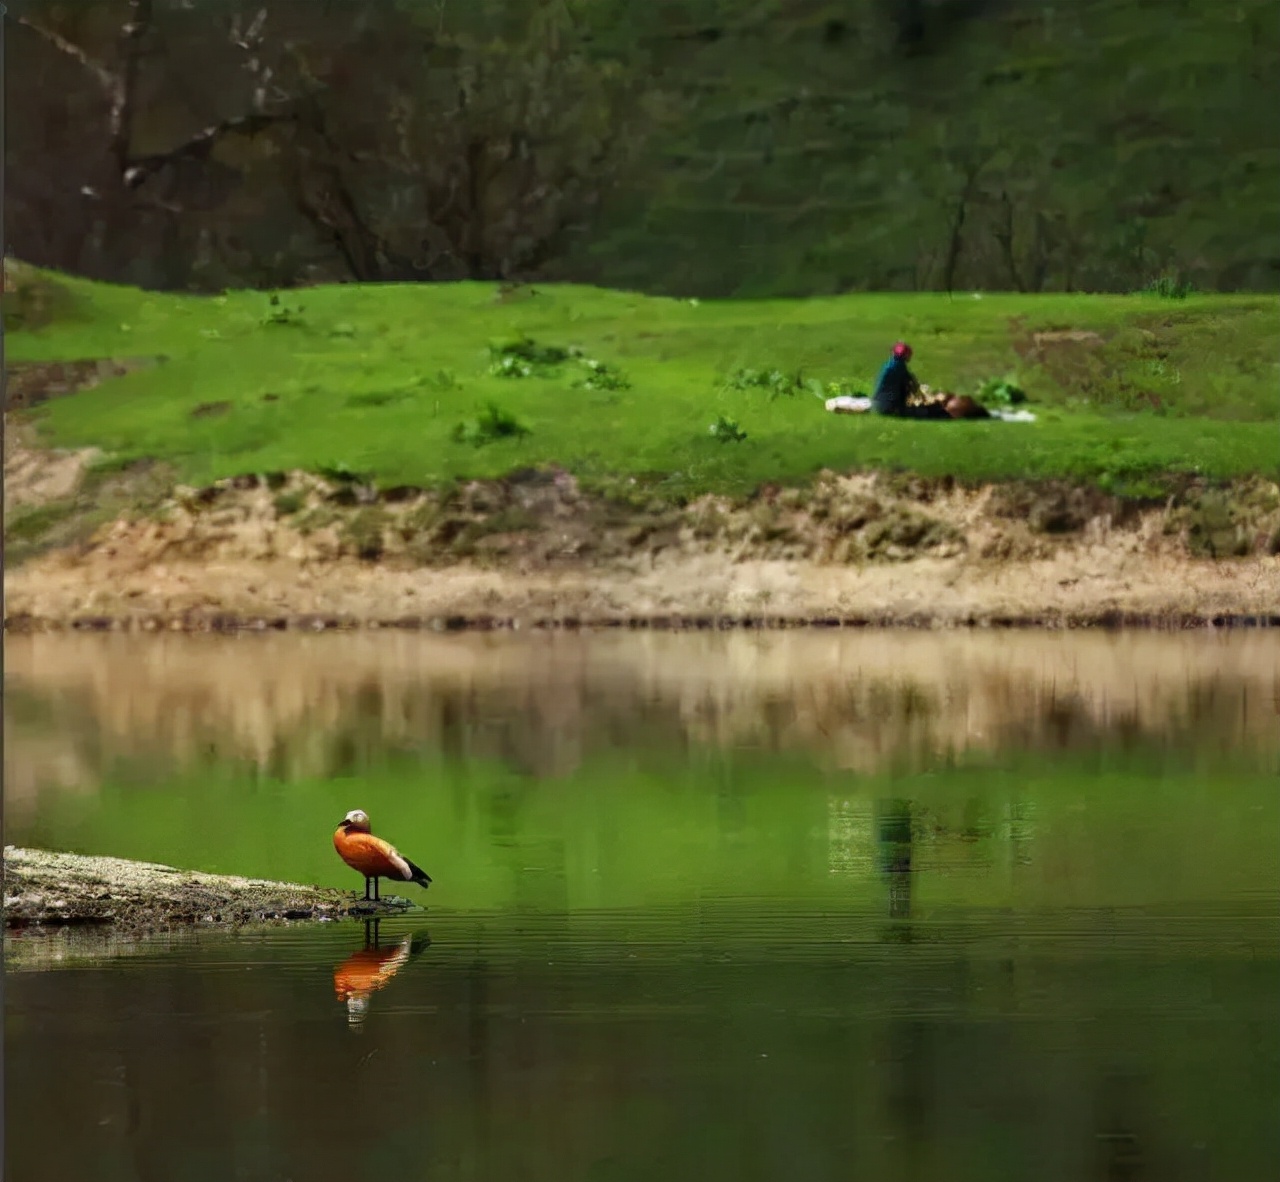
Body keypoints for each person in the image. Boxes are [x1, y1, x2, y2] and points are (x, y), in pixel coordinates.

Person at [872, 342, 952, 419]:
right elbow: (913, 385)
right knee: (925, 411)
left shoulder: (889, 365)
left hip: (877, 404)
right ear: (906, 355)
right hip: (889, 407)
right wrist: (924, 396)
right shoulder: (900, 367)